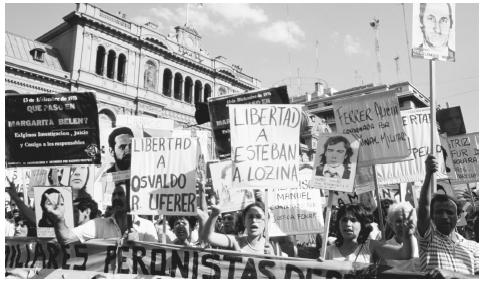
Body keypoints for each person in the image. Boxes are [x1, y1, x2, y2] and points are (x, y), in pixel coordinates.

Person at [417, 155, 479, 278]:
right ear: (432, 216)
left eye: (450, 212)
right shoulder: (428, 240)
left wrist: (451, 275)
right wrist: (429, 174)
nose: (445, 217)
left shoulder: (474, 247)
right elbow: (424, 207)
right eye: (439, 212)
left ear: (459, 216)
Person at [45, 182, 158, 244]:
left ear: (131, 198)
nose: (116, 198)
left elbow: (156, 261)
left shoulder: (147, 227)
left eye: (121, 194)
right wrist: (59, 219)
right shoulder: (98, 225)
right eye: (114, 194)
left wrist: (139, 246)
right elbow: (66, 238)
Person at [321, 203, 416, 264]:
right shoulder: (327, 251)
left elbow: (405, 254)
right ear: (338, 223)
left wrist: (408, 235)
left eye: (353, 220)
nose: (348, 224)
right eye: (344, 220)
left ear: (362, 224)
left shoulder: (371, 246)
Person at [203, 201, 275, 255]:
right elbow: (207, 237)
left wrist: (274, 259)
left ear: (266, 221)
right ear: (244, 221)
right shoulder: (236, 241)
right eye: (250, 217)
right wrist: (214, 215)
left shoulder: (274, 247)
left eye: (258, 217)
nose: (254, 220)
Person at [383, 202, 420, 271]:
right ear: (391, 224)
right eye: (399, 221)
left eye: (407, 220)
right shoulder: (385, 248)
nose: (404, 224)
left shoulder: (422, 245)